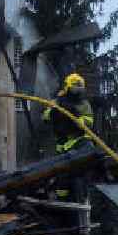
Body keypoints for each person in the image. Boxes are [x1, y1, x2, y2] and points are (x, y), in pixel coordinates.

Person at [42, 73, 94, 203]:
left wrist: (77, 120)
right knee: (62, 177)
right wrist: (53, 112)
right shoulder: (57, 102)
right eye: (75, 88)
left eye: (80, 88)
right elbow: (45, 117)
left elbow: (89, 121)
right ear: (67, 87)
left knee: (81, 173)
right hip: (62, 145)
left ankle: (83, 198)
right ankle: (62, 200)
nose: (78, 91)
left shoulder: (84, 104)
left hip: (80, 141)